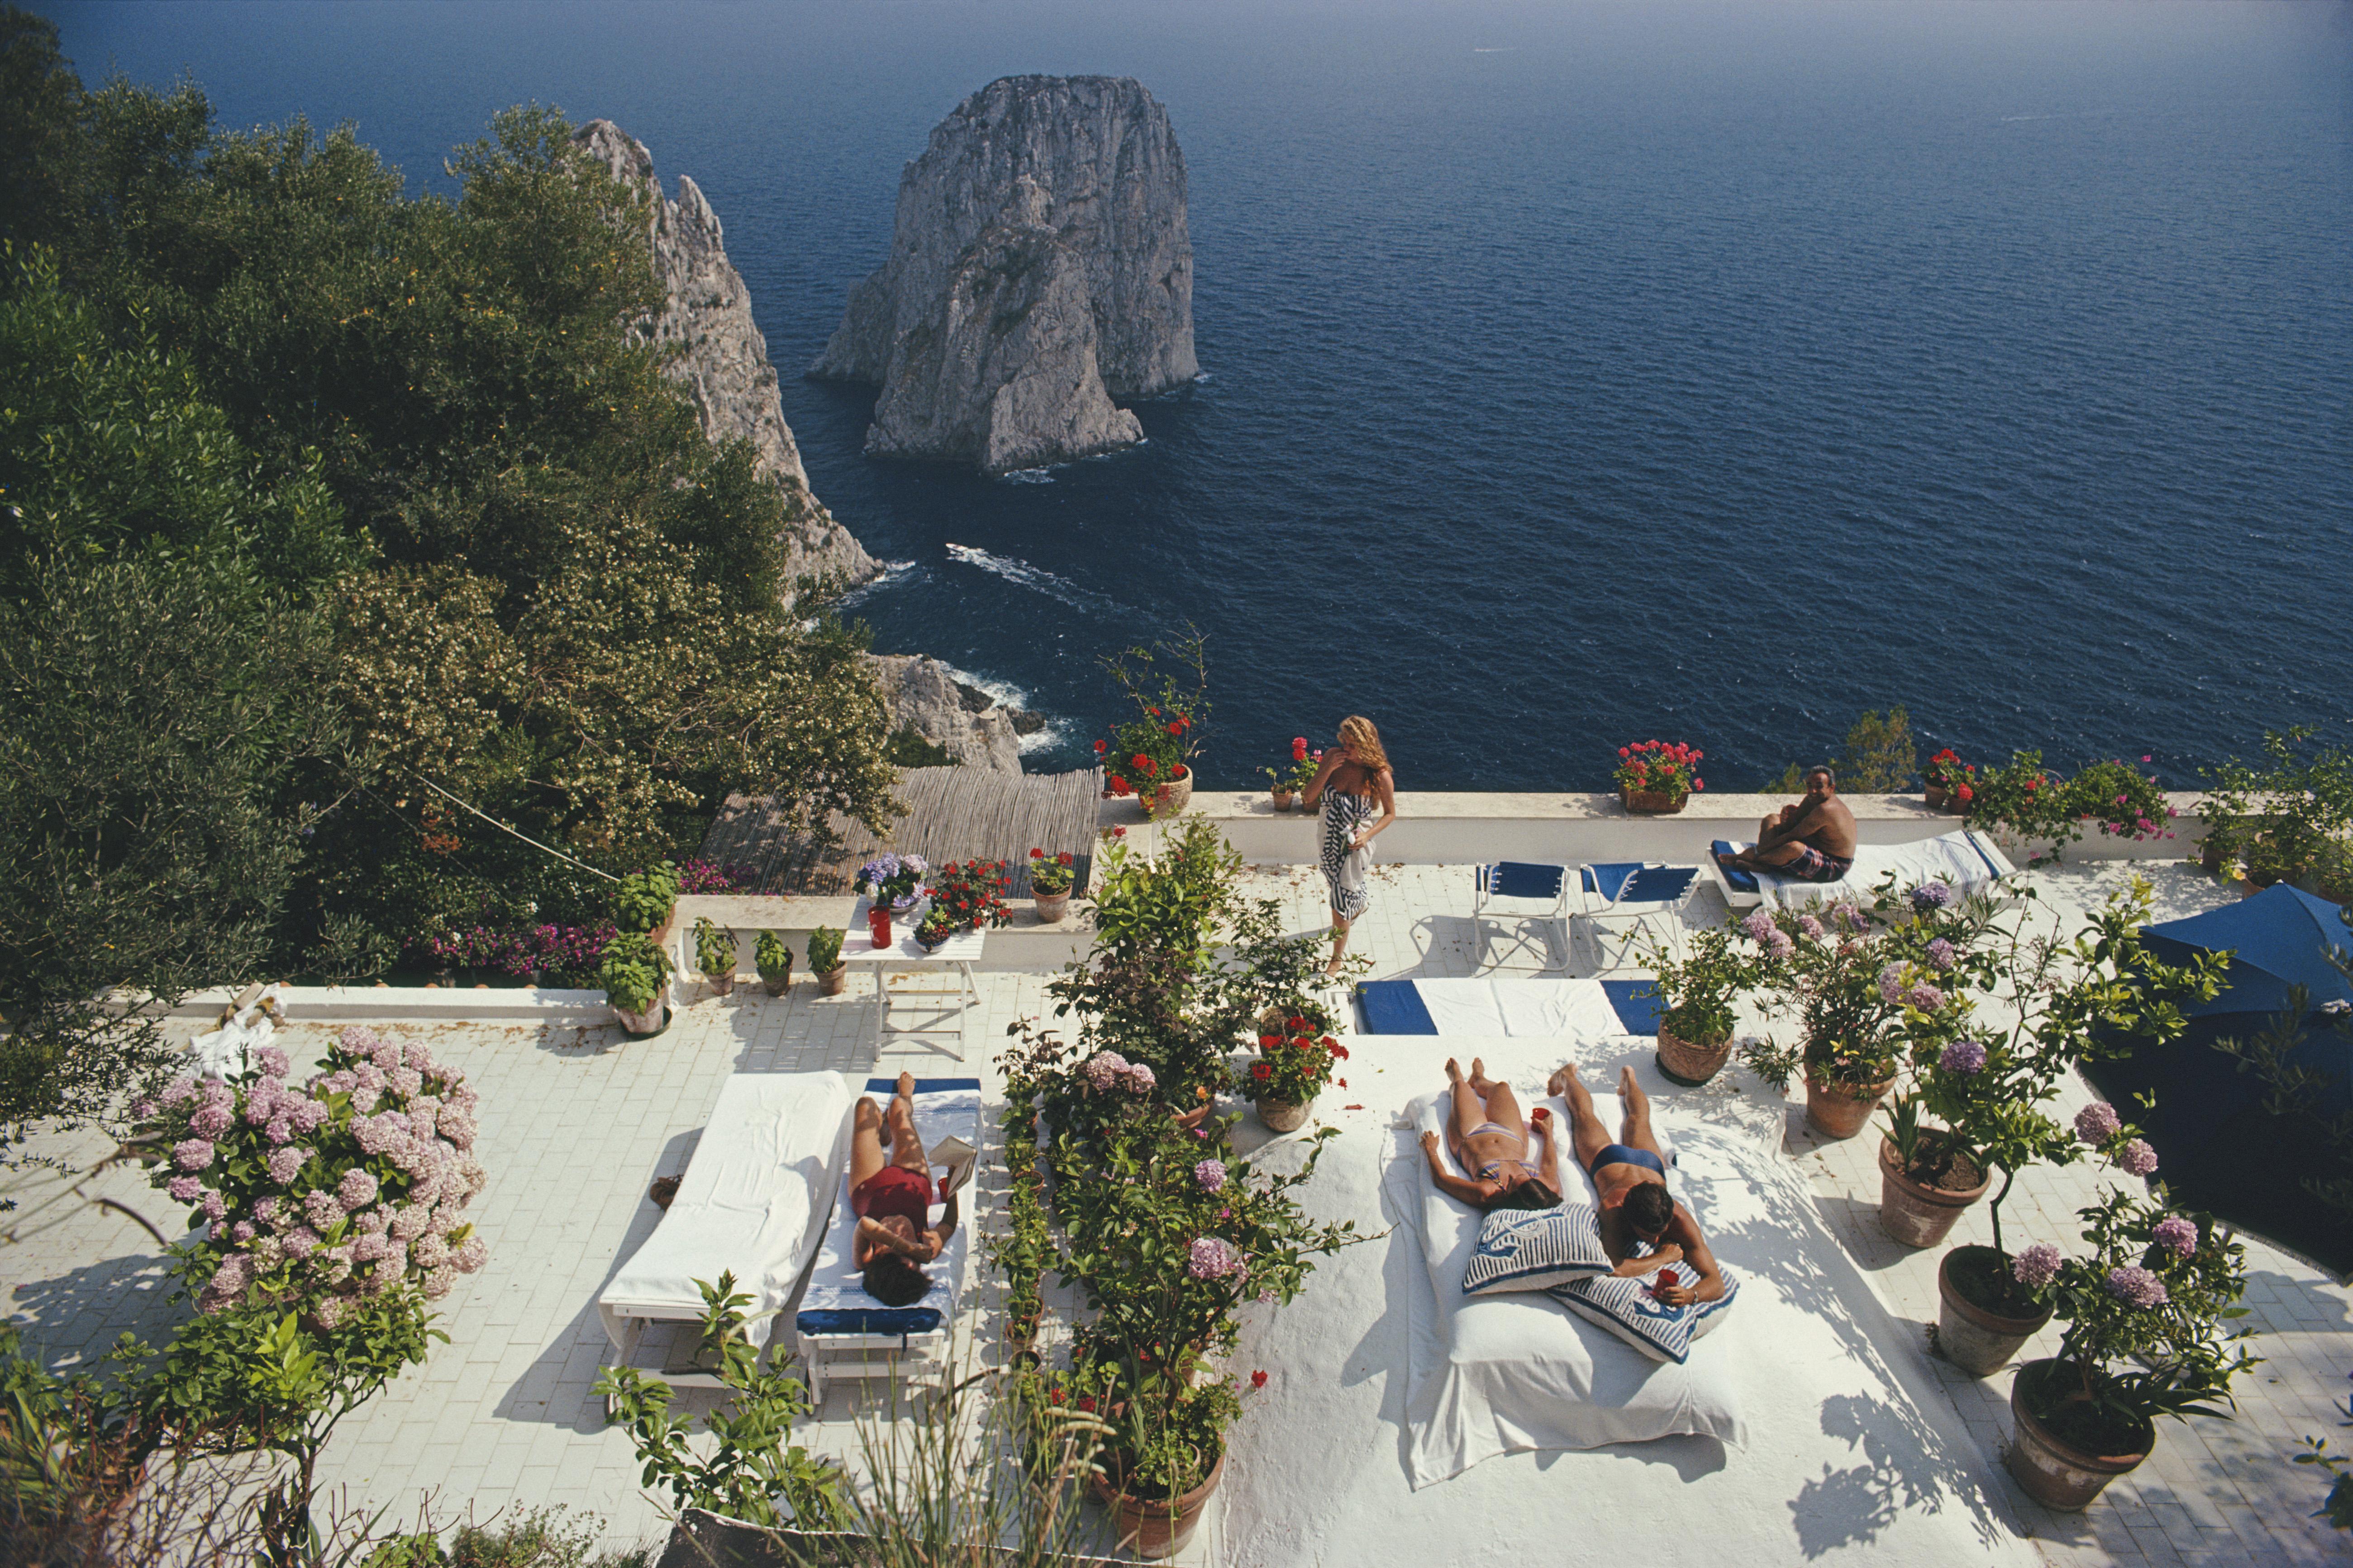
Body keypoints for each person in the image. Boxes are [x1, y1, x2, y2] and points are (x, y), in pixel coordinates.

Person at [1548, 1061, 1727, 1307]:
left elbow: (1716, 1282)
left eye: (1659, 1234)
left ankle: (1629, 1079)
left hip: (1648, 1166)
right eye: (1646, 1235)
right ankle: (1567, 1075)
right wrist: (1662, 1258)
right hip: (1608, 1162)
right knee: (1583, 1114)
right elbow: (1613, 1267)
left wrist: (1691, 1295)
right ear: (1628, 1216)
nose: (1654, 1242)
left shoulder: (1677, 1215)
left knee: (1640, 1118)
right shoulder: (1613, 1206)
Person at [848, 1071, 962, 1307]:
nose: (913, 1262)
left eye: (904, 1265)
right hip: (912, 1180)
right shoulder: (928, 1249)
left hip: (868, 1185)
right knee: (899, 1106)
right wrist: (952, 1185)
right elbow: (949, 1223)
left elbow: (866, 1225)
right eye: (915, 1270)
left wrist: (907, 1247)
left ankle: (882, 1131)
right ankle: (903, 1103)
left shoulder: (866, 1259)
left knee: (865, 1105)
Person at [1300, 714, 1398, 977]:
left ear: (1366, 745)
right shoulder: (1334, 757)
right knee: (1336, 883)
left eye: (1353, 744)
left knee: (1340, 899)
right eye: (1344, 741)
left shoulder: (1379, 775)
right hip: (1327, 835)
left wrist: (1368, 837)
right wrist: (1327, 769)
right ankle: (1360, 901)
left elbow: (1390, 814)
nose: (1346, 747)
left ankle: (1337, 959)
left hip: (1355, 844)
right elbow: (1309, 798)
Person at [1419, 1056, 1563, 1212]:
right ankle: (1479, 1079)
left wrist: (1431, 1150)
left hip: (1471, 1135)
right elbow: (1549, 1165)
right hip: (1512, 1135)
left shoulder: (1487, 1192)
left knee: (1461, 1086)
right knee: (1502, 1088)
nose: (1513, 1177)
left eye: (1512, 1183)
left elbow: (1442, 1180)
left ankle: (1457, 1077)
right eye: (1525, 1177)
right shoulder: (1549, 1188)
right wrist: (1548, 1133)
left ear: (1511, 1196)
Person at [1726, 765, 1857, 884]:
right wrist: (1787, 811)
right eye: (1810, 786)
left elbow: (1792, 835)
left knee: (1794, 848)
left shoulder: (1826, 810)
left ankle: (1758, 861)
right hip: (1814, 845)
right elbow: (1793, 823)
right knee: (1771, 819)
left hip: (1834, 866)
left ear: (1831, 788)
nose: (1813, 791)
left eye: (1819, 787)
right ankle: (1765, 864)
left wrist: (1755, 852)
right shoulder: (1812, 799)